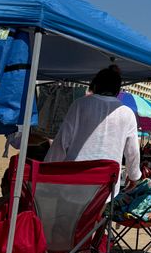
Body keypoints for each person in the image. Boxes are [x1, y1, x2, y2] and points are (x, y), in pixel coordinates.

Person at [46, 64, 140, 194]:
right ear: (118, 90)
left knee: (70, 214)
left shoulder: (80, 105)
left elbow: (62, 141)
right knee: (95, 214)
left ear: (95, 85)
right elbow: (132, 151)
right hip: (106, 185)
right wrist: (134, 175)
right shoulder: (127, 113)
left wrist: (48, 169)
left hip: (74, 180)